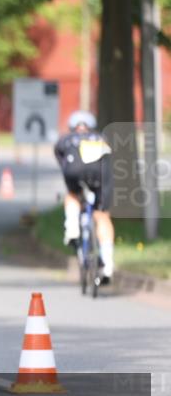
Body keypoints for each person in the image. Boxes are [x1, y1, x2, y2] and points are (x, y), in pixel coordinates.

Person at [54, 110, 115, 283]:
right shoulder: (99, 138)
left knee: (72, 195)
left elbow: (60, 159)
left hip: (74, 172)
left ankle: (72, 228)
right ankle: (108, 264)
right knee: (102, 217)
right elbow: (107, 161)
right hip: (99, 175)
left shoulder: (65, 139)